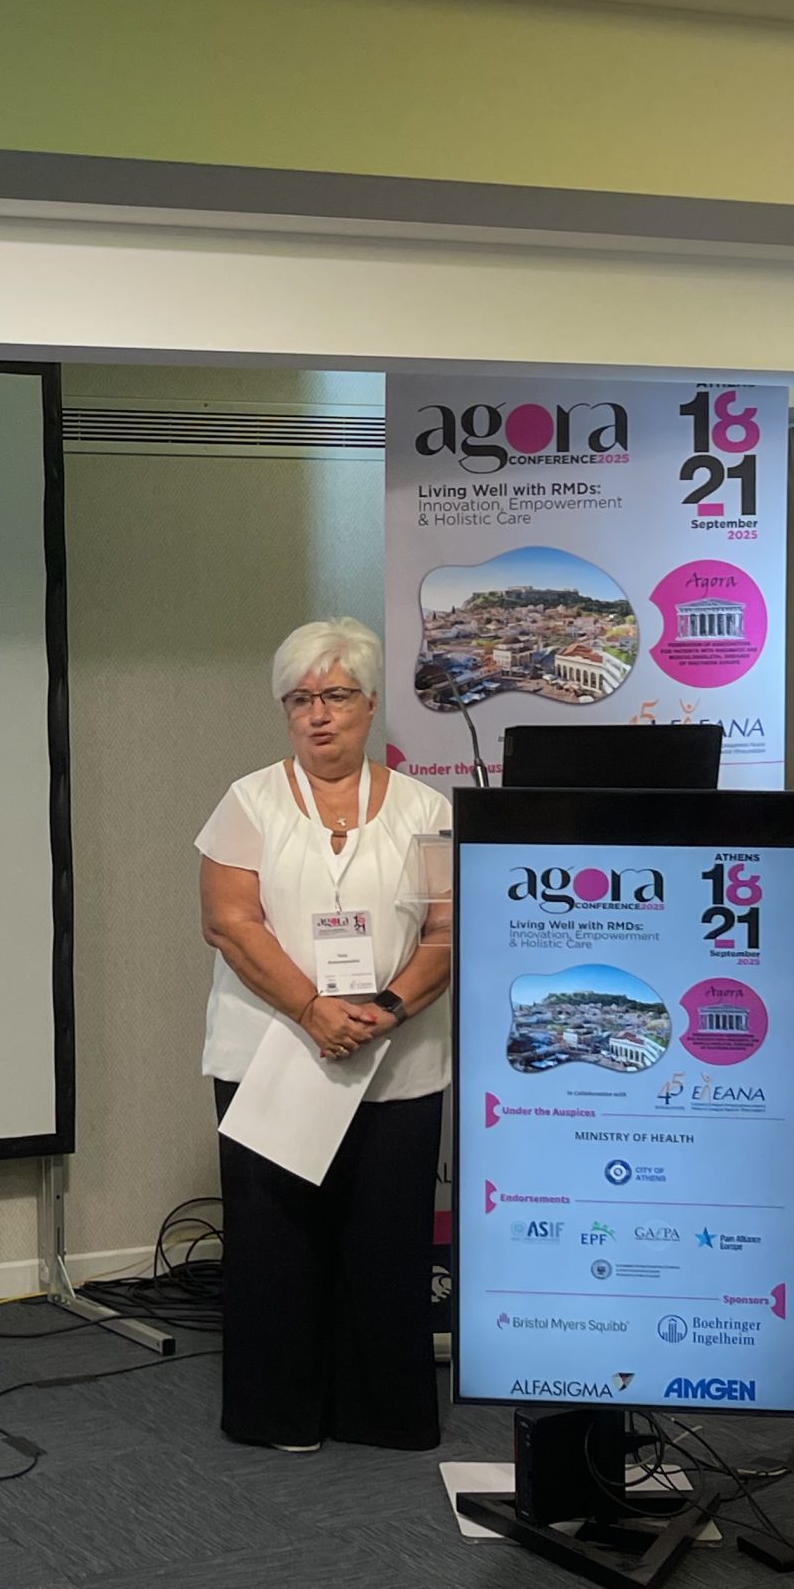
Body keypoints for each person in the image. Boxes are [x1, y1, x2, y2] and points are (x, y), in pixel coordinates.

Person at [195, 616, 452, 1451]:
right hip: (272, 1054)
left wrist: (389, 1007)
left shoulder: (426, 808)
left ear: (370, 703)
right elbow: (229, 924)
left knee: (386, 1240)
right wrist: (312, 1009)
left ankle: (381, 1413)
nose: (317, 715)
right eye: (299, 700)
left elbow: (449, 931)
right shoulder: (249, 801)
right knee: (276, 1243)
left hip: (398, 1058)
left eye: (335, 696)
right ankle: (279, 1413)